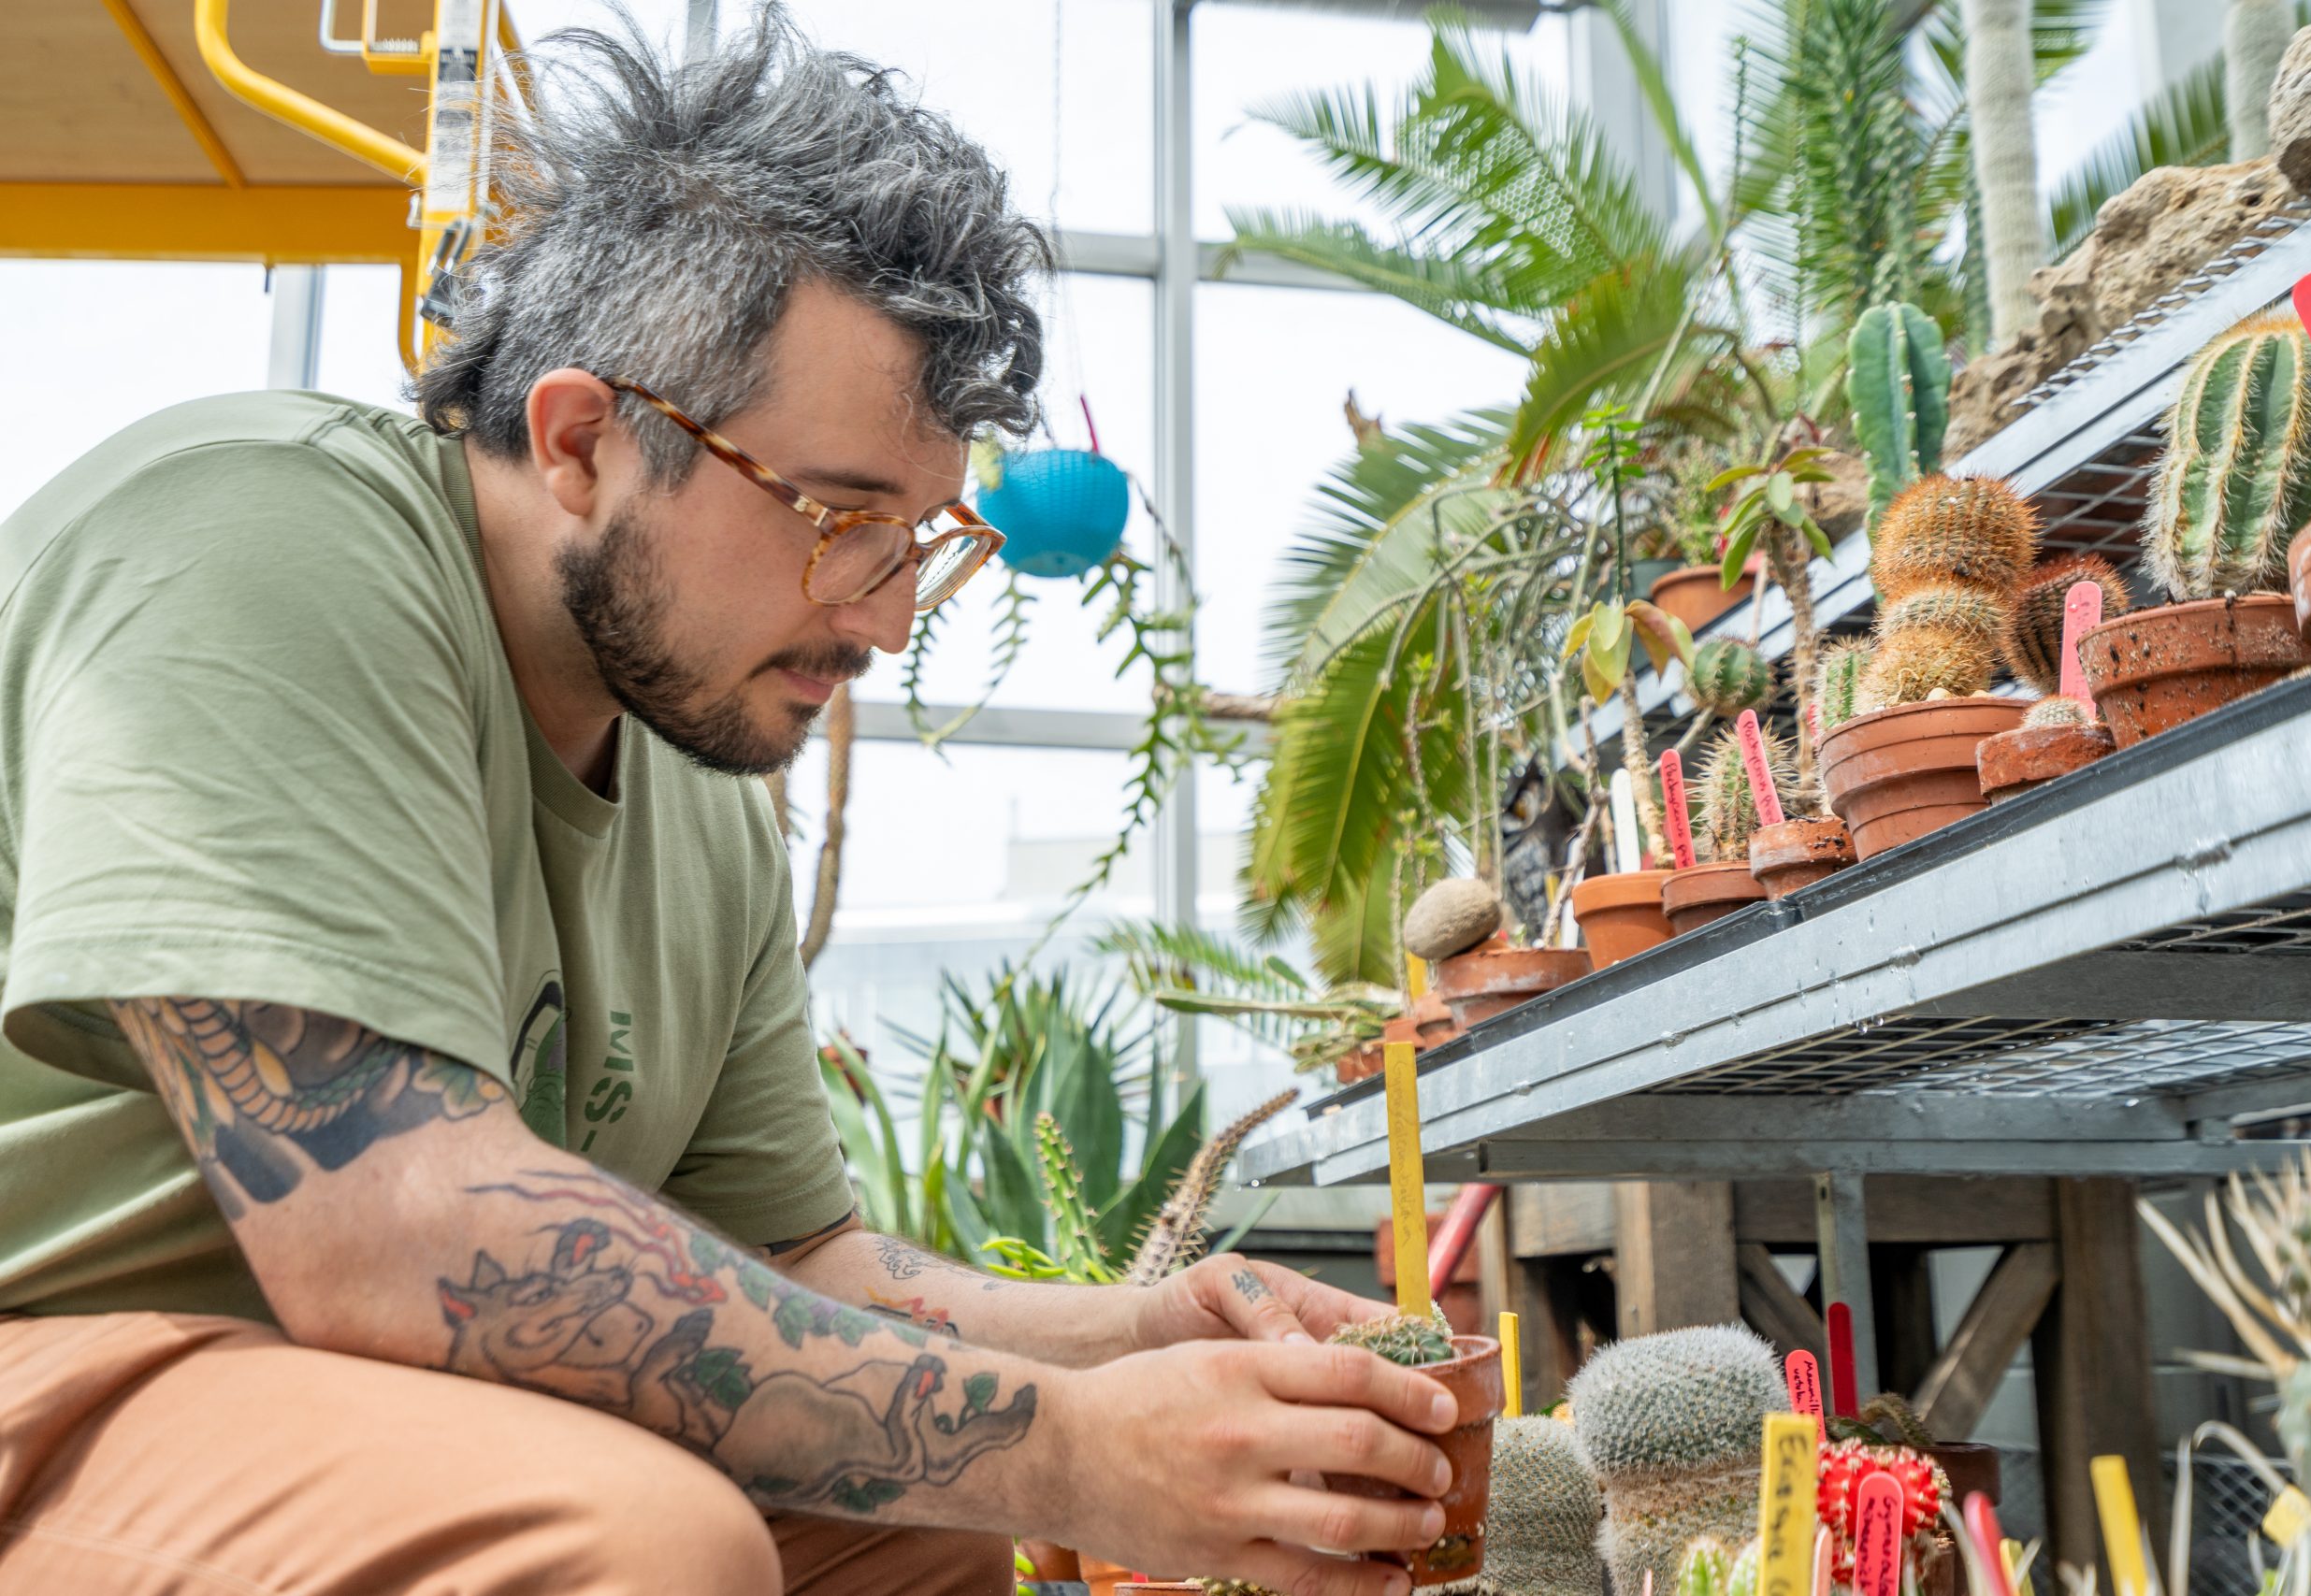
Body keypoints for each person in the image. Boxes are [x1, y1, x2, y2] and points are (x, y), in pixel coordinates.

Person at [0, 12, 1455, 1595]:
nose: (890, 615)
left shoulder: (696, 762)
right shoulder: (249, 539)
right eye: (838, 517)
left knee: (916, 1523)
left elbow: (795, 1264)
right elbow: (388, 1230)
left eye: (921, 539)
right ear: (579, 443)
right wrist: (1070, 1450)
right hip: (60, 1373)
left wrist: (1139, 1342)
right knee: (637, 1548)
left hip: (360, 1406)